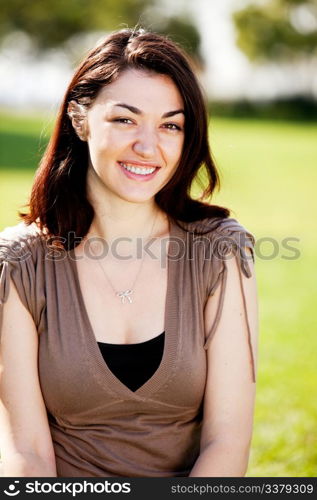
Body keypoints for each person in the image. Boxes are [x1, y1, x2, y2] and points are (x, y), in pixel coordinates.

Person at [0, 28, 258, 477]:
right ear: (80, 120)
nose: (148, 145)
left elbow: (227, 441)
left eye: (170, 125)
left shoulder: (221, 250)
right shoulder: (20, 263)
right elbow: (25, 453)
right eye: (125, 119)